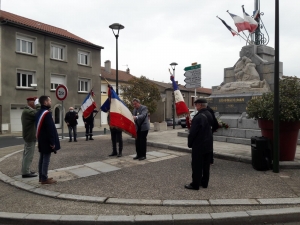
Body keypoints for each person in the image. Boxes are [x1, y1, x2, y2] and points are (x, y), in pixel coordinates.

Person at [185, 98, 213, 190]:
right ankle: (204, 183)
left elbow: (193, 133)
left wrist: (190, 143)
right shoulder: (209, 114)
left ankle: (195, 184)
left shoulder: (198, 117)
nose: (195, 106)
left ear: (200, 105)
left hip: (199, 144)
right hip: (208, 143)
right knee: (205, 165)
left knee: (196, 165)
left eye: (196, 105)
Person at [36, 96, 60, 185]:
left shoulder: (39, 112)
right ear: (45, 102)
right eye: (49, 100)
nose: (51, 102)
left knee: (41, 158)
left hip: (41, 139)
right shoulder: (46, 114)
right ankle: (44, 178)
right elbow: (50, 129)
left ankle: (41, 177)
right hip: (47, 140)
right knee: (46, 158)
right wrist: (52, 142)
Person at [21, 97, 40, 178]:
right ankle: (25, 172)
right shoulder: (27, 111)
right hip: (29, 136)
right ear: (30, 103)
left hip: (29, 135)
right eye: (34, 102)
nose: (35, 104)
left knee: (26, 154)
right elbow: (38, 113)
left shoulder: (27, 111)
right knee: (29, 154)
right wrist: (38, 104)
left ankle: (26, 170)